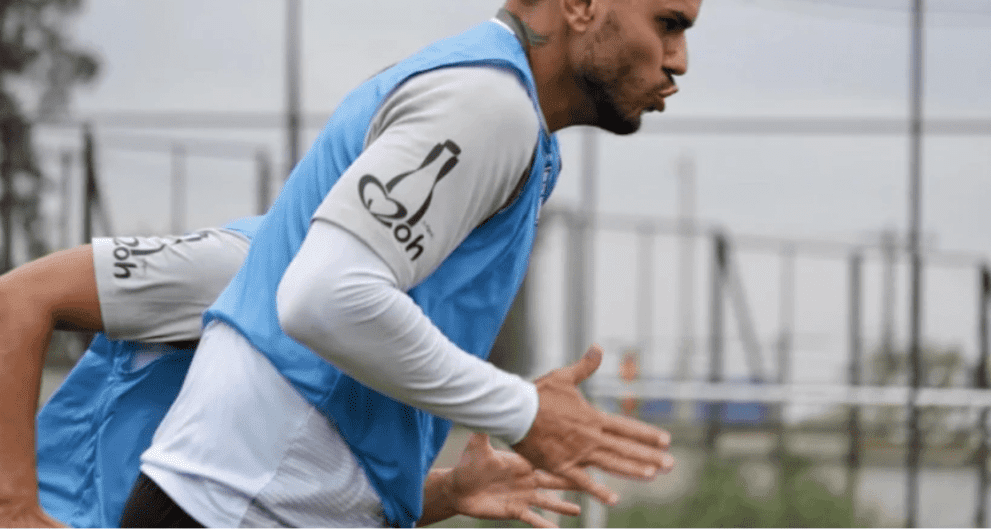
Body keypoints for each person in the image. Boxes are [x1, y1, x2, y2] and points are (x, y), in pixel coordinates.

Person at [137, 0, 724, 527]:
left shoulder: (500, 108)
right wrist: (522, 410)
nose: (678, 60)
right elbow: (324, 298)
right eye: (669, 23)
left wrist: (430, 494)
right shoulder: (487, 105)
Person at [0, 220, 581, 528]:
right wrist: (14, 510)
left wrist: (452, 491)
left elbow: (291, 499)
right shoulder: (249, 262)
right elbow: (20, 297)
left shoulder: (396, 325)